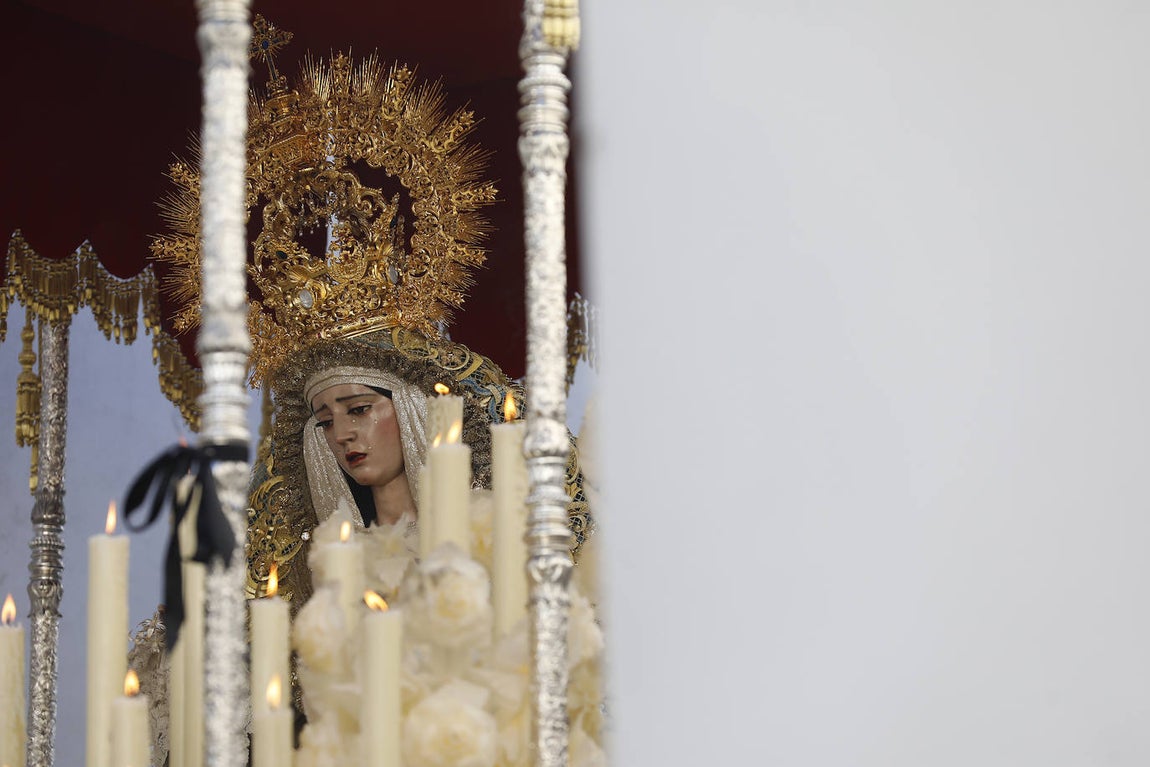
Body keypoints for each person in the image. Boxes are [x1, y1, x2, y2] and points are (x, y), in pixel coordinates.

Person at [245, 326, 592, 608]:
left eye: (359, 409)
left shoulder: (490, 538)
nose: (342, 434)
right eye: (325, 423)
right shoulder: (322, 567)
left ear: (412, 408)